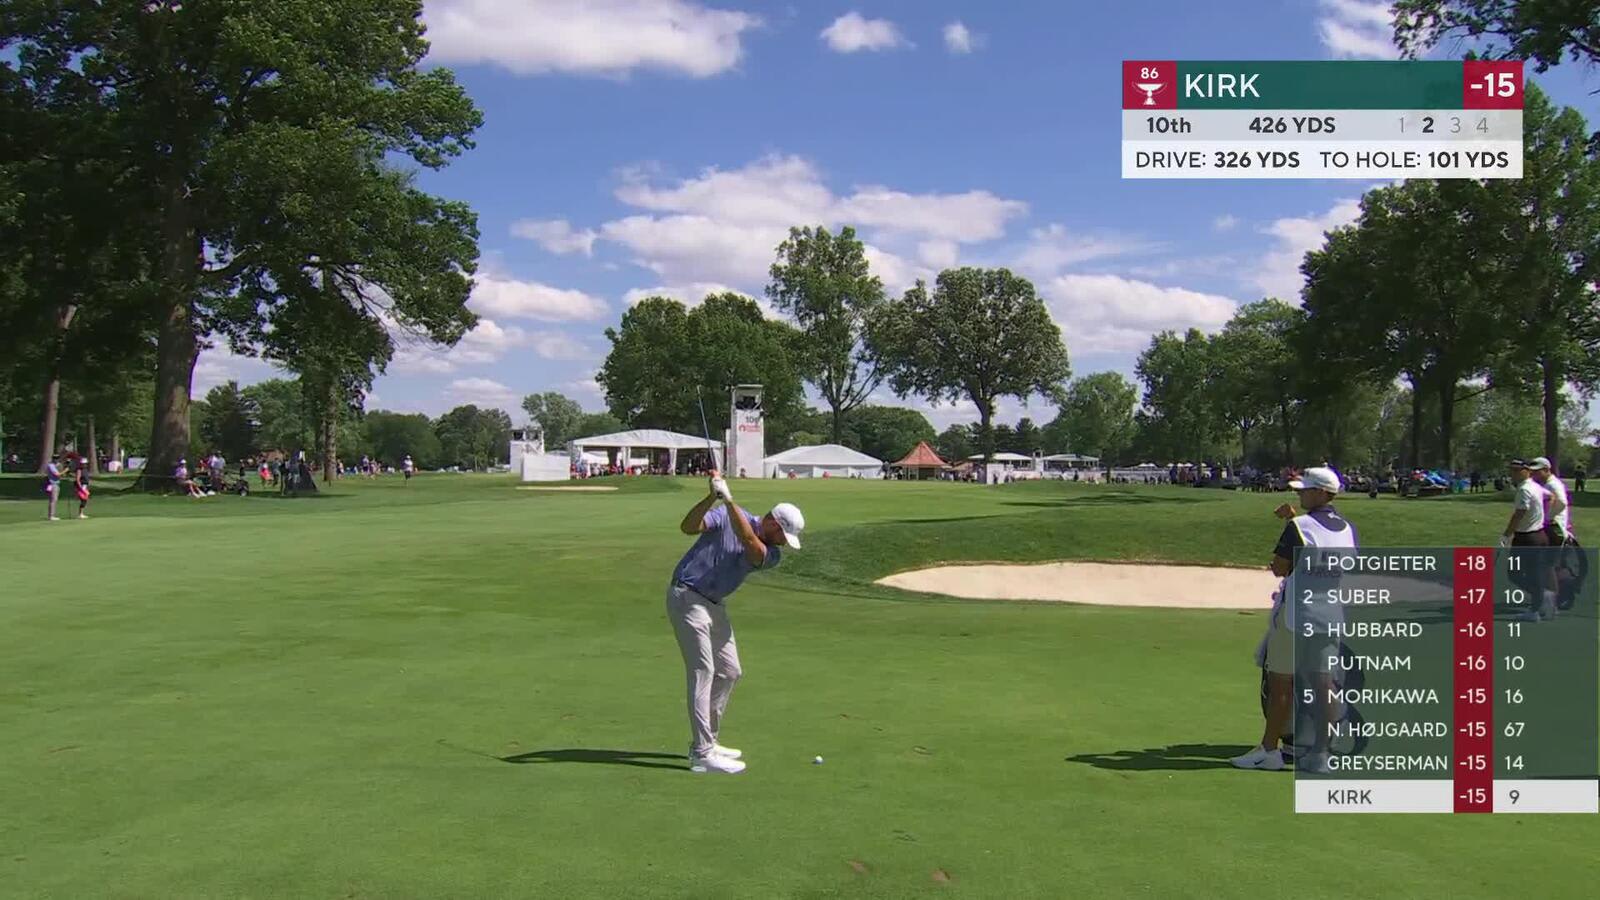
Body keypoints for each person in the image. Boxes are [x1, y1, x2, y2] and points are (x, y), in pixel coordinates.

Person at [667, 470, 804, 775]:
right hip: (687, 596)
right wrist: (711, 497)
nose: (784, 542)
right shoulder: (730, 514)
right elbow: (688, 527)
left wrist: (729, 500)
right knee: (703, 671)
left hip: (714, 605)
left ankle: (709, 741)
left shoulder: (771, 554)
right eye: (783, 535)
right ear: (772, 523)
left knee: (730, 671)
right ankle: (702, 753)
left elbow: (750, 544)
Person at [1233, 466, 1357, 773]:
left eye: (1304, 490)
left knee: (1281, 684)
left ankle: (1268, 750)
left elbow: (1280, 566)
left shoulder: (1299, 526)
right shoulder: (1345, 528)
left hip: (1295, 616)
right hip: (1330, 614)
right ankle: (1320, 755)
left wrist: (1290, 531)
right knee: (1324, 684)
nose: (1299, 493)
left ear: (1320, 492)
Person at [1500, 459, 1554, 621]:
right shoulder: (1535, 486)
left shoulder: (1525, 489)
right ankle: (1541, 599)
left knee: (1520, 573)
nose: (1514, 474)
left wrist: (1506, 534)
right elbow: (1550, 497)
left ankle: (1537, 607)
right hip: (1538, 536)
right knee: (1526, 573)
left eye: (1517, 471)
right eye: (1512, 470)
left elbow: (1519, 514)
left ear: (1526, 471)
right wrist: (1542, 516)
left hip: (1527, 538)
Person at [43, 453, 63, 521]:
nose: (56, 460)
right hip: (52, 484)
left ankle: (52, 515)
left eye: (57, 458)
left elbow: (60, 473)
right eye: (55, 458)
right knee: (53, 500)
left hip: (56, 484)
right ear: (53, 459)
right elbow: (57, 474)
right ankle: (51, 516)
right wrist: (65, 470)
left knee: (54, 500)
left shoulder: (57, 465)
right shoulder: (51, 465)